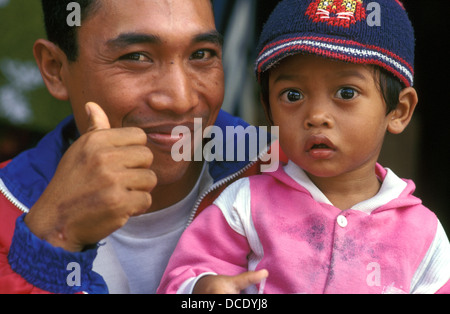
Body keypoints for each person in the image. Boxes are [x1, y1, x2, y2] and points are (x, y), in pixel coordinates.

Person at [158, 0, 450, 294]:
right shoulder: (244, 204)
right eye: (292, 95)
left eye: (345, 93)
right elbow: (183, 277)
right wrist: (203, 289)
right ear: (267, 107)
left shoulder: (424, 235)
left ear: (399, 110)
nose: (316, 116)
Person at [0, 0, 274, 294]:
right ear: (55, 68)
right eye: (137, 57)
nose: (181, 99)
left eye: (201, 54)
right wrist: (52, 243)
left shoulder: (290, 172)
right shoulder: (7, 208)